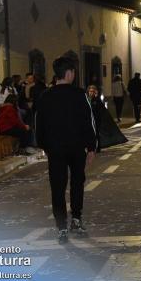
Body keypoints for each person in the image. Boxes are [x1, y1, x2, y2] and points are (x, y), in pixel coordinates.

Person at [36, 57, 97, 244]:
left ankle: (61, 226)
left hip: (55, 149)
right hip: (77, 148)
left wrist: (44, 145)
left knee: (57, 187)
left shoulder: (45, 96)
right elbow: (90, 122)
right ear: (69, 73)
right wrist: (92, 147)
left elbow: (39, 124)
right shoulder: (80, 95)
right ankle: (76, 220)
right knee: (77, 183)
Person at [87, 85, 127, 150]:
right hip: (89, 120)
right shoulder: (87, 99)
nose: (91, 93)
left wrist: (97, 98)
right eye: (90, 91)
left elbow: (100, 109)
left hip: (96, 119)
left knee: (96, 133)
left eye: (92, 91)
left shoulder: (97, 100)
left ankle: (97, 147)